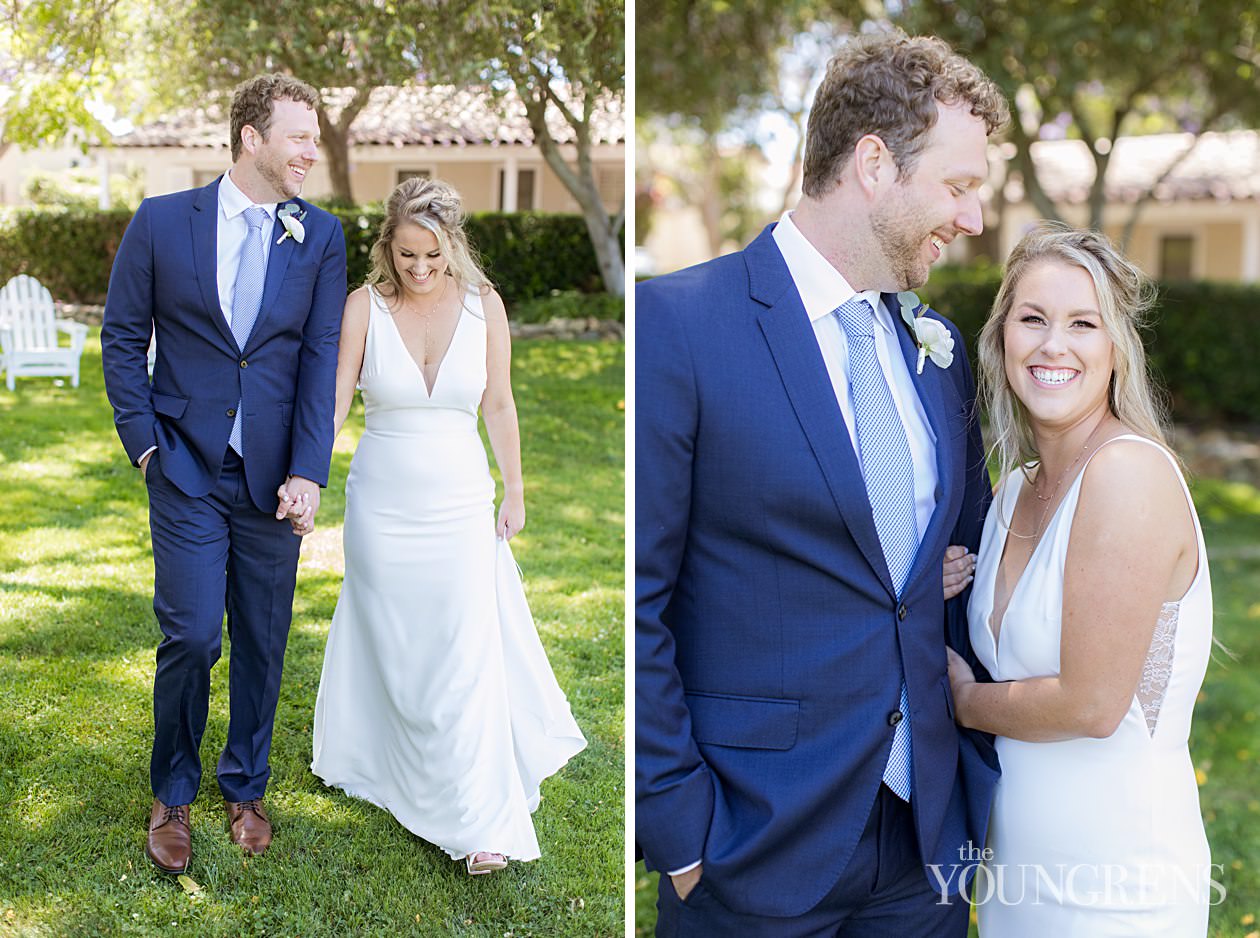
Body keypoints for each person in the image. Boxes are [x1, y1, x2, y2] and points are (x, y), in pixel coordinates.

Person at [636, 31, 1009, 935]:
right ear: (874, 164)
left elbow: (956, 569)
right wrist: (681, 830)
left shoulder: (939, 353)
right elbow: (635, 597)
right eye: (959, 188)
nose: (974, 221)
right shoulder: (677, 326)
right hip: (749, 846)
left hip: (923, 855)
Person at [101, 74, 347, 874]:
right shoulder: (163, 223)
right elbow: (121, 337)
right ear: (251, 137)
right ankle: (172, 791)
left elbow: (317, 362)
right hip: (183, 466)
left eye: (314, 137)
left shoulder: (320, 236)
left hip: (274, 477)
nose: (312, 151)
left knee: (265, 639)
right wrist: (144, 444)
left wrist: (310, 469)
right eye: (299, 136)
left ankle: (245, 784)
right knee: (193, 633)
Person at [309, 177, 586, 875]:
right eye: (406, 256)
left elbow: (499, 404)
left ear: (452, 245)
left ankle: (479, 823)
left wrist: (515, 489)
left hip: (461, 502)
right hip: (382, 504)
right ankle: (389, 762)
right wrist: (306, 475)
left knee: (464, 655)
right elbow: (337, 397)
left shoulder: (483, 306)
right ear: (387, 249)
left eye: (432, 255)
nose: (421, 269)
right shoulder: (362, 307)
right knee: (399, 646)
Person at [945, 222, 1213, 934]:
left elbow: (1092, 704)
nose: (1052, 345)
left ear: (1116, 349)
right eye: (1032, 319)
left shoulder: (1127, 474)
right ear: (1003, 340)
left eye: (1082, 324)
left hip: (1118, 885)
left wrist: (967, 700)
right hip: (1014, 881)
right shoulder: (1012, 494)